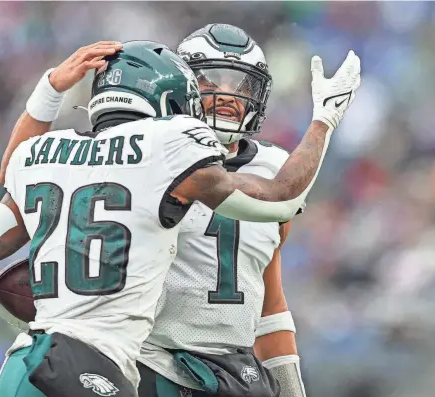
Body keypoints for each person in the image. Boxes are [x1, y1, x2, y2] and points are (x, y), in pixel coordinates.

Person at [0, 38, 360, 397]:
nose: (225, 96)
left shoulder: (45, 154)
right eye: (206, 84)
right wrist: (324, 122)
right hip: (118, 367)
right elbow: (281, 197)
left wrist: (49, 91)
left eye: (240, 85)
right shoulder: (170, 145)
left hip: (34, 357)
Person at [137, 24, 308, 397]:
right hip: (150, 361)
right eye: (213, 80)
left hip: (231, 371)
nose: (229, 95)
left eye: (242, 85)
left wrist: (291, 388)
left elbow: (269, 302)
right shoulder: (149, 152)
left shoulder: (273, 167)